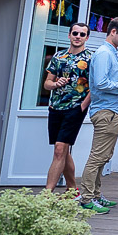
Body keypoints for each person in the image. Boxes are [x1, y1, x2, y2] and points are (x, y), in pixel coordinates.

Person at [79, 17, 118, 213]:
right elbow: (101, 83)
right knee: (97, 157)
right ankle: (87, 198)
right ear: (113, 32)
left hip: (111, 111)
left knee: (104, 156)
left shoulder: (111, 53)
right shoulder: (104, 54)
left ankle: (95, 194)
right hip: (107, 112)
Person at [43, 22, 91, 193]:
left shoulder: (90, 58)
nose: (78, 37)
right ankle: (72, 190)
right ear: (69, 35)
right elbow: (47, 84)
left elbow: (95, 87)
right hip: (55, 106)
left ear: (86, 37)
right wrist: (55, 83)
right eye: (75, 33)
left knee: (59, 149)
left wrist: (82, 106)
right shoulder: (58, 56)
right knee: (63, 151)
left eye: (82, 34)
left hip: (75, 107)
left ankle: (46, 194)